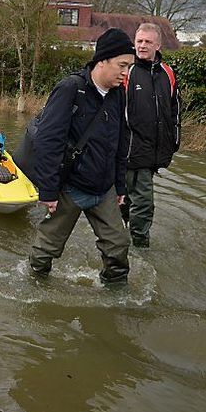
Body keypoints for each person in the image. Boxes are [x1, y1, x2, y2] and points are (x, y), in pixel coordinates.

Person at [27, 28, 135, 285]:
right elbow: (48, 140)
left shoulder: (119, 94)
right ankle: (34, 285)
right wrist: (49, 191)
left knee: (118, 246)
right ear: (102, 61)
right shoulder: (70, 89)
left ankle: (116, 293)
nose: (126, 73)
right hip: (69, 189)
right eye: (122, 65)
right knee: (46, 250)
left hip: (104, 189)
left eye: (129, 67)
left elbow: (121, 141)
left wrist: (120, 185)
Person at [122, 22, 181, 248]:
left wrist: (174, 140)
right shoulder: (128, 71)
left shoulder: (168, 73)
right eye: (139, 41)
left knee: (131, 197)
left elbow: (174, 108)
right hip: (132, 149)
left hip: (156, 149)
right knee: (143, 201)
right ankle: (140, 246)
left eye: (147, 42)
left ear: (158, 44)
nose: (142, 46)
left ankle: (122, 229)